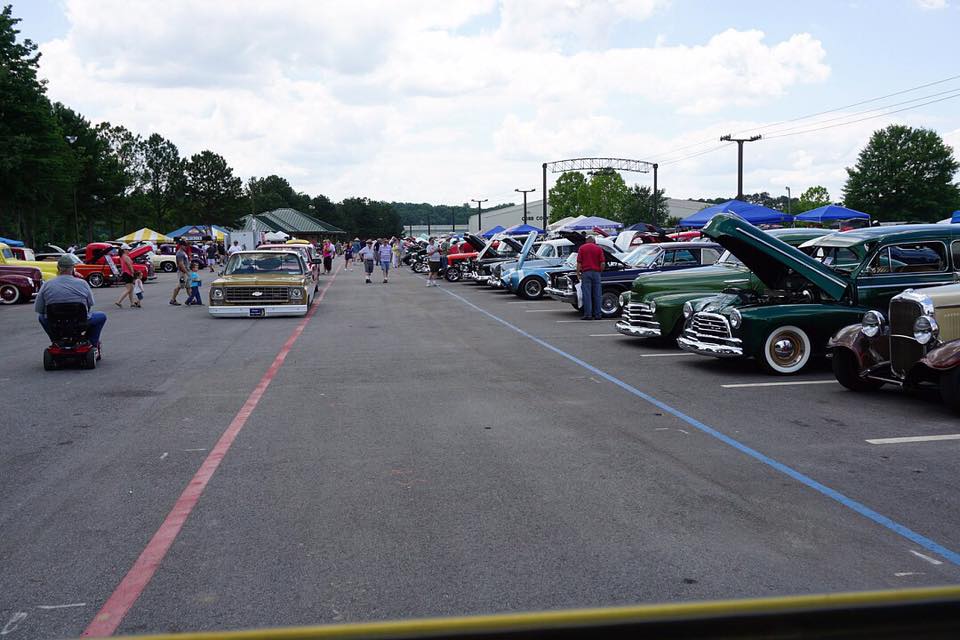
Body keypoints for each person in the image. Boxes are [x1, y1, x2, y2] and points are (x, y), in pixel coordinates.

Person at [36, 255, 107, 359]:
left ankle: (56, 340)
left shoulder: (47, 285)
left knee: (41, 318)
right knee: (101, 316)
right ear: (73, 268)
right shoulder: (82, 283)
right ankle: (92, 342)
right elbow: (90, 303)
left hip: (56, 322)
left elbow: (39, 309)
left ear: (58, 268)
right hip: (79, 321)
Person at [576, 235, 605, 320]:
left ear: (586, 241)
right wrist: (600, 271)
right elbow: (603, 263)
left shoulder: (582, 248)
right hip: (596, 273)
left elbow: (579, 263)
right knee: (597, 294)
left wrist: (578, 273)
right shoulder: (599, 248)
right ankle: (598, 314)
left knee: (587, 294)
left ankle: (588, 314)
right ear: (594, 241)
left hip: (586, 273)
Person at [170, 240, 191, 305]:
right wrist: (186, 272)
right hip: (182, 272)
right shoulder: (180, 253)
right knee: (180, 286)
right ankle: (173, 300)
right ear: (181, 246)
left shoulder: (183, 252)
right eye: (185, 246)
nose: (186, 247)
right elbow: (181, 264)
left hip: (185, 271)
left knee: (188, 286)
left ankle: (191, 299)